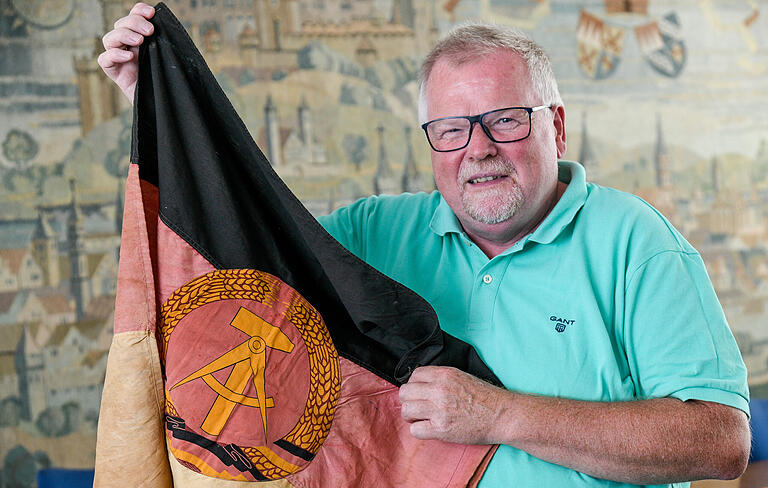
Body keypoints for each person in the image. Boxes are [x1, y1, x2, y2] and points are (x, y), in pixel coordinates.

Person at [99, 3, 751, 487]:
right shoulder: (369, 234)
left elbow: (722, 441)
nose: (478, 149)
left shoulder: (638, 244)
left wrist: (500, 416)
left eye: (503, 120)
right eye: (450, 129)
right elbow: (241, 254)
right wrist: (156, 112)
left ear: (555, 124)